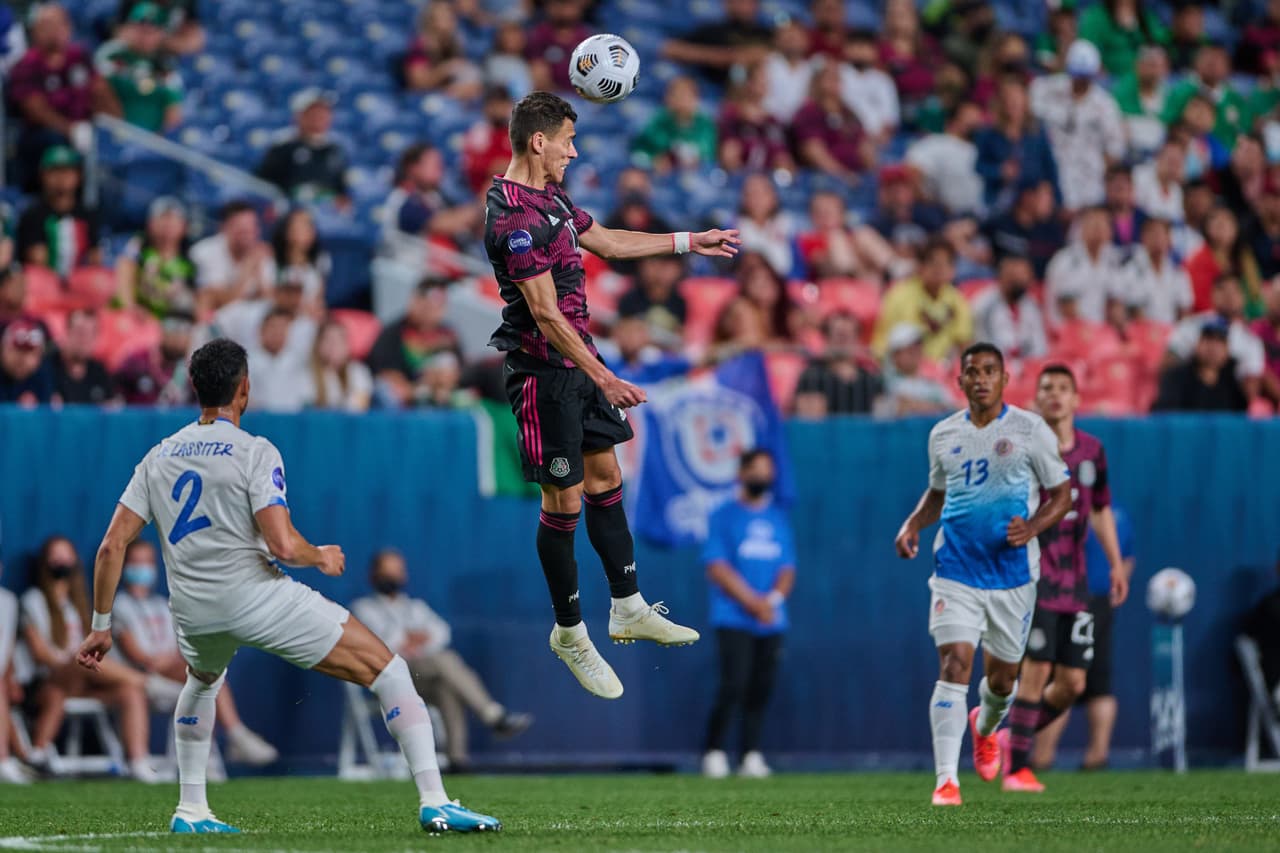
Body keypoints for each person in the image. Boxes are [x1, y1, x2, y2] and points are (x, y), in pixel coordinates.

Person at [75, 338, 501, 834]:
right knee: (390, 671)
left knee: (202, 682)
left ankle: (191, 810)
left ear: (195, 388)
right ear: (245, 388)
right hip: (257, 598)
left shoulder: (158, 455)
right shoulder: (255, 451)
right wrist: (319, 554)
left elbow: (110, 546)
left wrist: (100, 626)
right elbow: (281, 544)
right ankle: (436, 799)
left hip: (192, 609)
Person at [483, 92, 737, 697]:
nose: (574, 150)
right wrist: (605, 376)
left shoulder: (553, 201)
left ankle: (627, 605)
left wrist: (686, 242)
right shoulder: (513, 219)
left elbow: (612, 243)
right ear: (537, 140)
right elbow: (544, 314)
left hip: (581, 365)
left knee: (605, 478)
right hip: (544, 376)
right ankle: (570, 631)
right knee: (565, 501)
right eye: (567, 140)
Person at [894, 342, 1072, 806]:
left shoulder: (1031, 431)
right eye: (972, 371)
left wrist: (1032, 527)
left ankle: (985, 726)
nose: (980, 379)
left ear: (1004, 378)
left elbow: (1063, 495)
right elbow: (937, 493)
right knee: (954, 662)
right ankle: (946, 782)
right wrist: (913, 523)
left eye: (989, 371)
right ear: (960, 381)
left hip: (1012, 576)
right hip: (956, 568)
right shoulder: (942, 435)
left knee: (1002, 682)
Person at [1000, 364, 1127, 792]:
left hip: (1077, 583)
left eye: (1062, 388)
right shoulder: (1023, 450)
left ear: (1076, 399)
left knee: (1072, 683)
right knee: (1035, 672)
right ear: (1036, 399)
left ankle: (1010, 737)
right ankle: (1016, 769)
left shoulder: (1092, 451)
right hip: (1035, 580)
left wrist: (1113, 563)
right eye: (1046, 388)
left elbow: (1101, 508)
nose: (1054, 394)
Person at [351, 550, 532, 771]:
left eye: (396, 571)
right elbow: (383, 643)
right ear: (374, 575)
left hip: (421, 677)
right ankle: (493, 716)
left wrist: (410, 639)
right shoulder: (363, 608)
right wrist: (412, 637)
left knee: (446, 685)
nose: (392, 577)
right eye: (386, 571)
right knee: (446, 660)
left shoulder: (415, 606)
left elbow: (441, 632)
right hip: (390, 676)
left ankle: (456, 760)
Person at [111, 540, 277, 765]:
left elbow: (181, 647)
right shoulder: (120, 605)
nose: (143, 568)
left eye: (148, 562)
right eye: (137, 562)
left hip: (168, 672)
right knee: (197, 674)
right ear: (125, 565)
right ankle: (234, 736)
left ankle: (234, 736)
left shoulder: (162, 604)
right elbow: (137, 656)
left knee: (208, 674)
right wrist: (165, 661)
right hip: (139, 679)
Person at [18, 535, 159, 781]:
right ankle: (151, 684)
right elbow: (40, 654)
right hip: (49, 681)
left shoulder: (79, 605)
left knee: (128, 692)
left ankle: (138, 761)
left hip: (83, 683)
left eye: (66, 554)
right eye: (56, 555)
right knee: (79, 660)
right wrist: (75, 663)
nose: (61, 561)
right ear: (45, 561)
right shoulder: (33, 600)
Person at [700, 449, 795, 780]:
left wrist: (772, 600)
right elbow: (717, 566)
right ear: (741, 473)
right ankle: (714, 752)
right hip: (734, 617)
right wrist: (753, 603)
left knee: (761, 687)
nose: (762, 476)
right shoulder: (723, 515)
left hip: (771, 618)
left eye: (768, 470)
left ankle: (750, 754)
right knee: (733, 685)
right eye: (755, 469)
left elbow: (787, 568)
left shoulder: (777, 517)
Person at [1033, 502, 1136, 771]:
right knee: (1098, 683)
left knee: (1063, 677)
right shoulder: (1118, 516)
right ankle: (1097, 756)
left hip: (1071, 600)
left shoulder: (1072, 512)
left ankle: (1041, 757)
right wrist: (1116, 588)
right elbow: (1127, 560)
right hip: (1102, 603)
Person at [7, 3, 120, 188]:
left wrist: (114, 126)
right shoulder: (27, 64)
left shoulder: (80, 57)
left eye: (60, 25)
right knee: (53, 142)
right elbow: (35, 109)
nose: (55, 32)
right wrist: (71, 131)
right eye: (47, 27)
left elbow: (101, 92)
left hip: (84, 130)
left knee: (107, 148)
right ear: (35, 31)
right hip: (42, 136)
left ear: (69, 27)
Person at [1030, 40, 1126, 213]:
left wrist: (1097, 167)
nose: (1080, 81)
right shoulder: (1045, 89)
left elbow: (1115, 150)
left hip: (1088, 184)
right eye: (1076, 75)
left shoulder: (1105, 105)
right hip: (1049, 177)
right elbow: (1029, 121)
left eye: (1086, 76)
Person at [378, 143, 481, 273]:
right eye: (434, 165)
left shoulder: (436, 195)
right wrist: (484, 203)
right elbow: (442, 224)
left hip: (441, 272)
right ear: (413, 168)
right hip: (410, 274)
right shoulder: (402, 199)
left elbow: (470, 224)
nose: (440, 170)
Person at [366, 277, 460, 409]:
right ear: (415, 301)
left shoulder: (448, 336)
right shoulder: (394, 333)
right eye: (428, 305)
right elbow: (385, 372)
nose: (434, 311)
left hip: (439, 395)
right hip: (407, 396)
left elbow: (459, 371)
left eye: (440, 306)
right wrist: (418, 389)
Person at [872, 239, 972, 361]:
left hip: (943, 371)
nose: (939, 269)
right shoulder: (898, 296)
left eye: (946, 263)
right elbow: (884, 344)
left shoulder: (957, 300)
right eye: (933, 263)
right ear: (920, 266)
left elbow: (964, 343)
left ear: (953, 270)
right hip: (905, 368)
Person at [94, 2, 183, 133]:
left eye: (151, 32)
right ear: (128, 28)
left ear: (160, 34)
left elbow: (174, 112)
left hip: (151, 141)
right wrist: (121, 129)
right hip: (112, 133)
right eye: (140, 30)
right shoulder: (111, 54)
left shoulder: (166, 65)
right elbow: (97, 90)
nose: (144, 37)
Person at [15, 145, 102, 278]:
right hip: (44, 286)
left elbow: (95, 259)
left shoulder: (88, 214)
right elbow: (37, 260)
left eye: (67, 170)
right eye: (54, 171)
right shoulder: (32, 215)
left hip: (79, 284)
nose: (61, 177)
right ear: (42, 176)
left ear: (79, 176)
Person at [255, 89, 349, 208]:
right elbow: (264, 186)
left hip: (326, 216)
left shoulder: (336, 150)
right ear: (299, 116)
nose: (320, 118)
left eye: (324, 113)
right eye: (314, 113)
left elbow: (342, 191)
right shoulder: (282, 147)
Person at [791, 60, 876, 183]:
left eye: (837, 78)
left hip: (856, 175)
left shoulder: (849, 113)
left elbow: (864, 145)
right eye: (829, 77)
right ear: (817, 81)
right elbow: (814, 152)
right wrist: (844, 176)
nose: (835, 82)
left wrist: (872, 171)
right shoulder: (808, 113)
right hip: (824, 178)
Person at [114, 196, 196, 320]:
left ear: (184, 227)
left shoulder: (190, 261)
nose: (167, 224)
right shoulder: (138, 245)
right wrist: (130, 308)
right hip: (135, 317)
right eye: (162, 218)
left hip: (171, 324)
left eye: (173, 219)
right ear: (150, 224)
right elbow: (125, 269)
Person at [1044, 206, 1127, 326]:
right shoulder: (1066, 260)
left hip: (1101, 335)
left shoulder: (1111, 260)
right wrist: (1094, 335)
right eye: (1093, 223)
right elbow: (1068, 309)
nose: (1099, 228)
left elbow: (1115, 303)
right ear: (1081, 227)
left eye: (1104, 223)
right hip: (1068, 332)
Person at [190, 201, 275, 316]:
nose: (249, 236)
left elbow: (270, 304)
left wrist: (259, 275)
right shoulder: (204, 252)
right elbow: (215, 302)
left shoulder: (261, 253)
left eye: (252, 229)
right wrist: (247, 270)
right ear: (224, 228)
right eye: (242, 230)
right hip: (214, 321)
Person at [661, 0, 773, 87]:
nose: (744, 5)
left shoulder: (767, 34)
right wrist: (723, 58)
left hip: (759, 94)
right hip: (713, 89)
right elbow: (669, 49)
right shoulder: (713, 30)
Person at [904, 100, 985, 217]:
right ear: (952, 121)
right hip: (943, 216)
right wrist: (930, 205)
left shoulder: (980, 149)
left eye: (977, 119)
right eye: (969, 118)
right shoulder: (937, 142)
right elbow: (912, 171)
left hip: (977, 216)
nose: (975, 123)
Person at [794, 312, 883, 417]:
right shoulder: (811, 376)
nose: (843, 341)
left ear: (858, 339)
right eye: (838, 335)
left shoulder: (870, 379)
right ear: (826, 338)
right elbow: (810, 421)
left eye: (848, 335)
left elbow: (881, 421)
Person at [1152, 318, 1249, 412]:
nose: (1213, 347)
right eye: (1208, 339)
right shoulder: (1175, 378)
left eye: (1220, 342)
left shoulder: (1233, 384)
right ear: (1197, 345)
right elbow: (1165, 417)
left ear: (1227, 350)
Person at [632, 76, 718, 173]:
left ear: (696, 99)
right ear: (668, 98)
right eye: (678, 94)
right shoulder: (658, 121)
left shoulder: (705, 125)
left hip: (695, 175)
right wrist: (653, 162)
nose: (682, 100)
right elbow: (640, 152)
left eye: (687, 95)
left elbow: (707, 156)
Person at [114, 302, 194, 406]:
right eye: (172, 327)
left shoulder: (194, 373)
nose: (177, 335)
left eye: (185, 329)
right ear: (162, 329)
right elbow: (115, 401)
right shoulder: (138, 361)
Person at [984, 179, 1065, 280]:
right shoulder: (1000, 223)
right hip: (1003, 287)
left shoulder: (1053, 232)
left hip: (1041, 289)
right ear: (1028, 197)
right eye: (1046, 196)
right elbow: (967, 232)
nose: (1051, 202)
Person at [1117, 218, 1193, 325]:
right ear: (1143, 238)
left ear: (1168, 239)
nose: (1157, 239)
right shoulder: (1131, 270)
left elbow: (1184, 310)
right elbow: (1134, 310)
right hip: (1141, 331)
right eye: (1152, 234)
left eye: (1161, 234)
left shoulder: (1178, 271)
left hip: (1171, 332)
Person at [972, 254, 1048, 361]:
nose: (1021, 282)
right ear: (1003, 277)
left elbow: (1040, 346)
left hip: (1027, 367)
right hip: (996, 367)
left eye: (1024, 277)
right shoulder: (984, 305)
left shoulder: (1031, 305)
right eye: (1015, 277)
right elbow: (982, 346)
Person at [876, 323, 956, 417]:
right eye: (910, 349)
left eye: (918, 346)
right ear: (895, 355)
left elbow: (953, 407)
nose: (916, 351)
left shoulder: (932, 382)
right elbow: (891, 409)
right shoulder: (883, 383)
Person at [246, 308, 310, 414]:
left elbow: (305, 398)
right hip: (259, 421)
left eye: (282, 328)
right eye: (273, 327)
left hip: (291, 420)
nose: (277, 332)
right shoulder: (247, 362)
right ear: (261, 331)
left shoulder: (299, 361)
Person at [270, 208, 329, 318]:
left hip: (305, 319)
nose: (309, 229)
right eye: (302, 225)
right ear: (287, 231)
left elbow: (319, 302)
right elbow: (268, 299)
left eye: (310, 225)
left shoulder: (320, 262)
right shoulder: (270, 262)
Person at [52, 308, 118, 405]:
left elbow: (112, 407)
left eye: (90, 334)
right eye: (80, 332)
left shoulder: (100, 372)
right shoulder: (48, 368)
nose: (84, 340)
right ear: (67, 332)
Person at [307, 318, 372, 412]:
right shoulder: (307, 375)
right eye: (328, 339)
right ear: (318, 344)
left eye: (340, 339)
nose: (334, 345)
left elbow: (359, 409)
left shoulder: (358, 372)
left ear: (348, 345)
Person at [462, 86, 515, 195]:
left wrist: (509, 166)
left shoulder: (518, 132)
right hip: (483, 189)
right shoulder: (479, 132)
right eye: (493, 105)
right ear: (486, 107)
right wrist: (491, 166)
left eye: (501, 104)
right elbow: (469, 164)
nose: (497, 109)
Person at [0, 319, 57, 406]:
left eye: (29, 352)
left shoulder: (44, 375)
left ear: (39, 356)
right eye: (18, 350)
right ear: (3, 350)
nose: (22, 359)